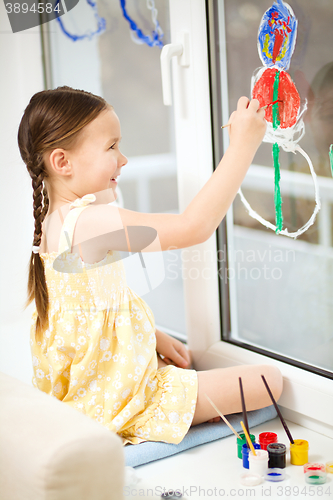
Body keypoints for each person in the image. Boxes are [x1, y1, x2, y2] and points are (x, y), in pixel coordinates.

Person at [18, 86, 282, 445]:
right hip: (120, 401)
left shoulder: (56, 222)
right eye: (112, 147)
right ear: (62, 162)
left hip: (100, 391)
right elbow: (194, 228)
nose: (123, 159)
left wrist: (152, 336)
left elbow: (86, 311)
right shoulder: (88, 222)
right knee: (269, 381)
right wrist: (243, 146)